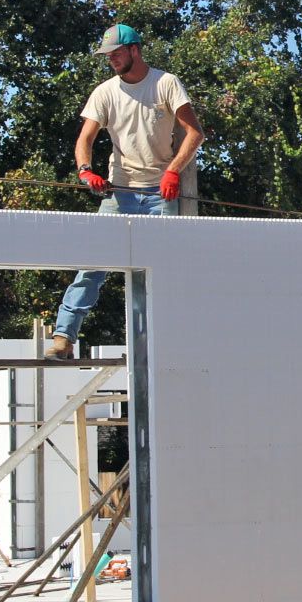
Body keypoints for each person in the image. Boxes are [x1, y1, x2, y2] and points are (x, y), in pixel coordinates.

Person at [45, 24, 203, 358]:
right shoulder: (105, 92)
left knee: (162, 271)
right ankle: (64, 337)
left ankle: (163, 346)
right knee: (94, 264)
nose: (112, 60)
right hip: (119, 191)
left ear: (135, 50)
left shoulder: (165, 83)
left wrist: (173, 171)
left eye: (116, 53)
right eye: (108, 56)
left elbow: (194, 133)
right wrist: (86, 171)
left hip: (161, 194)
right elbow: (85, 139)